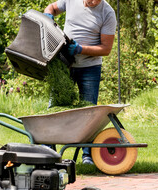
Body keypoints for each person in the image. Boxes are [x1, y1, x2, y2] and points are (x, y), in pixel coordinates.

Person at [43, 0, 117, 165]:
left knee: (88, 111)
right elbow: (53, 7)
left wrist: (80, 49)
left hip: (89, 68)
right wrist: (48, 15)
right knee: (54, 107)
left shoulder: (107, 13)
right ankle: (48, 152)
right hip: (64, 65)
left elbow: (106, 48)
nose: (91, 2)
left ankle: (87, 156)